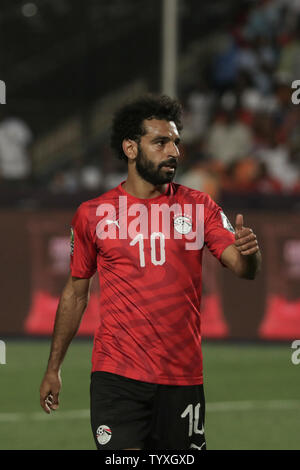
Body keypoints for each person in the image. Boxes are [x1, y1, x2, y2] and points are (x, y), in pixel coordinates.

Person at [39, 94, 262, 450]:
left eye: (176, 142)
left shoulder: (199, 205)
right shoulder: (92, 214)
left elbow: (242, 267)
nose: (173, 151)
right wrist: (54, 368)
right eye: (160, 142)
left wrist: (250, 253)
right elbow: (75, 293)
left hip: (182, 377)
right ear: (131, 148)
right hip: (117, 377)